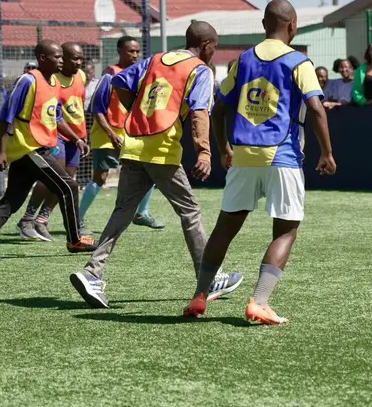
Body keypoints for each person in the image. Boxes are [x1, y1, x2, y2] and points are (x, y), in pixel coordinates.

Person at [182, 0, 336, 325]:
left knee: (226, 226)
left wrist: (224, 148)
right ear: (292, 26)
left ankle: (199, 295)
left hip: (243, 156)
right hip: (283, 156)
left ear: (264, 24)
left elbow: (218, 109)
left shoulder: (242, 61)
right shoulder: (299, 62)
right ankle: (260, 302)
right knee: (285, 230)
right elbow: (317, 109)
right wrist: (327, 153)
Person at [70, 22, 243, 308]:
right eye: (215, 47)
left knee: (122, 212)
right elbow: (200, 113)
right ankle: (209, 278)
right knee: (190, 212)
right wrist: (204, 152)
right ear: (207, 45)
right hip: (161, 150)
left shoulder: (156, 59)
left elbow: (120, 83)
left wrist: (141, 112)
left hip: (134, 144)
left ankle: (92, 272)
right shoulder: (199, 70)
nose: (214, 52)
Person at [0, 41, 93, 261]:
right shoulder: (28, 80)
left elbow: (56, 116)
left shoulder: (53, 82)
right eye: (56, 56)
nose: (61, 60)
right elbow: (6, 117)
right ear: (42, 58)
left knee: (11, 200)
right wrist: (1, 151)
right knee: (69, 186)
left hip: (37, 149)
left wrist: (76, 138)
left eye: (62, 56)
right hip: (28, 149)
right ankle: (75, 240)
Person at [82, 36, 164, 230]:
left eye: (137, 51)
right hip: (106, 134)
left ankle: (142, 213)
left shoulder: (139, 75)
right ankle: (79, 218)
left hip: (129, 134)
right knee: (100, 177)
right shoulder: (110, 75)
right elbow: (97, 109)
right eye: (130, 51)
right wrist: (111, 134)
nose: (135, 55)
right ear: (119, 51)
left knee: (149, 171)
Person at [15, 42, 90, 242]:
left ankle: (42, 220)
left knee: (68, 182)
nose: (79, 62)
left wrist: (80, 136)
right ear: (61, 58)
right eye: (74, 58)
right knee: (51, 179)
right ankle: (27, 220)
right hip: (55, 135)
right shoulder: (52, 78)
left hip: (77, 136)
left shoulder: (81, 76)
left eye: (81, 58)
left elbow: (79, 107)